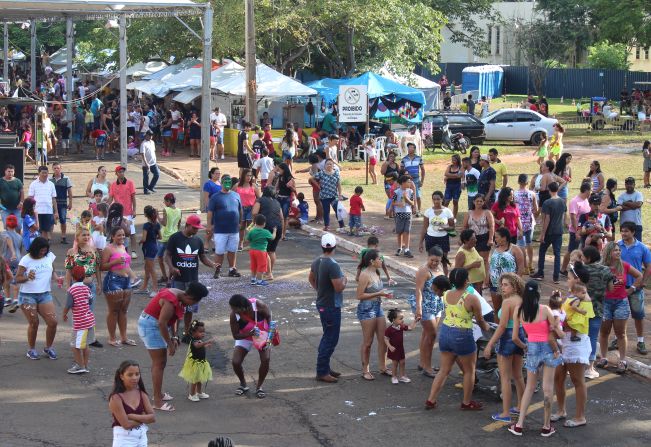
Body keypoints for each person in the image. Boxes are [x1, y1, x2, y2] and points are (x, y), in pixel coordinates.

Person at [137, 283, 208, 411]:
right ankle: (157, 401)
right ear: (191, 298)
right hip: (151, 327)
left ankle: (158, 395)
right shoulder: (171, 301)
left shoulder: (180, 295)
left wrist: (175, 336)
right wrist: (170, 344)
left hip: (155, 325)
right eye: (194, 303)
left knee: (160, 363)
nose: (190, 306)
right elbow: (162, 323)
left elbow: (174, 318)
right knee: (159, 363)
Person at [425, 268, 489, 410]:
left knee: (444, 370)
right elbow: (480, 320)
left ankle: (431, 399)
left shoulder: (446, 294)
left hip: (446, 331)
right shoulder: (471, 298)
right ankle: (466, 402)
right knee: (469, 371)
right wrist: (487, 329)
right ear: (466, 280)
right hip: (462, 334)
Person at [509, 281, 564, 437]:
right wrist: (557, 316)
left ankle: (519, 425)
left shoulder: (518, 311)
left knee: (529, 387)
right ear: (539, 295)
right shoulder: (545, 309)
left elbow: (515, 338)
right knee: (548, 388)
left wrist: (525, 347)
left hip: (532, 347)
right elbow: (557, 332)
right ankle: (546, 426)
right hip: (549, 348)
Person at [164, 215, 217, 344]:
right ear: (187, 225)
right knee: (176, 309)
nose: (196, 231)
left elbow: (202, 257)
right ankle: (174, 334)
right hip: (179, 280)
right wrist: (171, 268)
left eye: (197, 229)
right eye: (194, 228)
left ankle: (187, 333)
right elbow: (167, 255)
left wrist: (213, 264)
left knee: (190, 309)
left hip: (193, 281)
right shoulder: (175, 238)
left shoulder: (197, 241)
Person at [15, 237, 62, 360]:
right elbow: (17, 278)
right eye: (41, 250)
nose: (43, 252)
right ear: (35, 249)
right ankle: (31, 349)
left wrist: (57, 278)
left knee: (53, 322)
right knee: (34, 323)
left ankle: (48, 347)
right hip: (27, 296)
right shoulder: (26, 260)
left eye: (45, 250)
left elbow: (52, 270)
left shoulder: (49, 256)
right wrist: (27, 277)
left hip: (44, 294)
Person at [309, 233, 347, 383]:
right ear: (335, 247)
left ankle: (325, 367)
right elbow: (338, 288)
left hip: (323, 303)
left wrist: (320, 290)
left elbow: (311, 278)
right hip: (331, 305)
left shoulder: (317, 261)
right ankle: (322, 371)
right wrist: (345, 281)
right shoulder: (333, 264)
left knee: (328, 336)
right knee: (330, 338)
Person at [407, 248, 447, 377]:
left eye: (437, 261)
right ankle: (427, 367)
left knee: (427, 334)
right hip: (425, 305)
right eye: (432, 260)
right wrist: (419, 308)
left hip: (436, 304)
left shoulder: (440, 269)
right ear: (427, 257)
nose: (434, 263)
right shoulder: (423, 270)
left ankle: (423, 363)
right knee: (432, 335)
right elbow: (418, 290)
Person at [615, 221, 651, 355]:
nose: (623, 234)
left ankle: (641, 341)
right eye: (622, 231)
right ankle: (617, 339)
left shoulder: (642, 248)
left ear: (633, 232)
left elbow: (649, 266)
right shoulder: (617, 245)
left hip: (635, 287)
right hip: (619, 286)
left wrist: (643, 282)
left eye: (626, 231)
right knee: (618, 316)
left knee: (638, 315)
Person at [356, 249, 392, 381]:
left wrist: (384, 294)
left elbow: (377, 291)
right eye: (379, 259)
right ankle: (365, 370)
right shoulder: (365, 275)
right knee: (368, 342)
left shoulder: (377, 272)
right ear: (372, 261)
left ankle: (383, 366)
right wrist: (379, 294)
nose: (381, 261)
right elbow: (359, 295)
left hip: (377, 307)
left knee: (383, 338)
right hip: (366, 308)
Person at [64, 227, 103, 349]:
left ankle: (91, 338)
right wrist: (67, 285)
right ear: (77, 237)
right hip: (77, 287)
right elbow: (69, 270)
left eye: (88, 235)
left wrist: (99, 284)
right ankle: (78, 336)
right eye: (83, 235)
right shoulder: (72, 252)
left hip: (89, 286)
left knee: (89, 312)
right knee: (78, 313)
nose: (86, 237)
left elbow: (97, 268)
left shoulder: (93, 250)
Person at [228, 294, 273, 399]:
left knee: (266, 359)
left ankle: (259, 387)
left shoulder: (259, 305)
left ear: (244, 307)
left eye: (235, 308)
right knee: (236, 362)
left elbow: (269, 317)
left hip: (263, 335)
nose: (233, 311)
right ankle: (243, 384)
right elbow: (236, 336)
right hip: (245, 336)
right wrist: (250, 333)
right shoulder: (234, 315)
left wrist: (269, 339)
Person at [101, 227, 138, 347]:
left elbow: (126, 265)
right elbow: (102, 266)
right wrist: (114, 263)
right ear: (112, 236)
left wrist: (133, 276)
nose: (122, 237)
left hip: (126, 281)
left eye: (123, 235)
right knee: (114, 311)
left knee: (123, 310)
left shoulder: (123, 247)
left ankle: (124, 337)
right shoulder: (108, 249)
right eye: (119, 235)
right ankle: (112, 338)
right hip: (113, 281)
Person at [581, 245, 614, 379]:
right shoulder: (606, 271)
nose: (582, 259)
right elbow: (611, 289)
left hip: (581, 308)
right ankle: (590, 367)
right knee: (592, 338)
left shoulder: (581, 270)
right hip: (598, 308)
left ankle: (577, 364)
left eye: (583, 257)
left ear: (588, 258)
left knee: (580, 336)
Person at [109, 360, 156, 446]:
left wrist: (132, 416)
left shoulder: (142, 394)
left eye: (137, 374)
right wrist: (144, 418)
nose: (134, 378)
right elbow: (126, 424)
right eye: (130, 375)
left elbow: (152, 418)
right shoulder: (116, 398)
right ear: (122, 376)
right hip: (124, 439)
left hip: (141, 436)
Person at [207, 174, 242, 279]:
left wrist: (240, 222)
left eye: (229, 182)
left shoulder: (236, 195)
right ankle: (218, 269)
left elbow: (240, 210)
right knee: (219, 251)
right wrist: (209, 225)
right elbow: (210, 212)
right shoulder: (215, 197)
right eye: (225, 182)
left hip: (234, 229)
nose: (227, 184)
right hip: (220, 230)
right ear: (221, 183)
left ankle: (232, 269)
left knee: (232, 250)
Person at [531, 182, 566, 284]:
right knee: (557, 254)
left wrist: (542, 234)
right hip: (559, 231)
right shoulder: (562, 201)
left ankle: (541, 273)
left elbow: (547, 219)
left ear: (549, 190)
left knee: (542, 251)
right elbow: (564, 216)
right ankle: (556, 277)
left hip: (549, 232)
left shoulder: (547, 203)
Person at [62, 265, 95, 374]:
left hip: (80, 322)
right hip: (89, 319)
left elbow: (68, 304)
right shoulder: (87, 288)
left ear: (72, 276)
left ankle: (80, 366)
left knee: (75, 345)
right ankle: (85, 365)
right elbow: (90, 301)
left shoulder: (72, 290)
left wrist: (64, 314)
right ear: (84, 276)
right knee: (85, 345)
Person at [489, 227, 524, 315]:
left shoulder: (515, 249)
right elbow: (491, 264)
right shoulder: (494, 249)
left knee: (509, 310)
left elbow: (520, 267)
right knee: (497, 310)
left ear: (504, 238)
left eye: (497, 237)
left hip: (510, 285)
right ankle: (498, 327)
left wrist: (516, 282)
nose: (495, 239)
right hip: (495, 284)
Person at [251, 187, 284, 280]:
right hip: (277, 227)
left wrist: (255, 223)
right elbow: (281, 217)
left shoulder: (260, 200)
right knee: (272, 251)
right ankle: (269, 272)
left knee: (264, 250)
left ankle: (267, 272)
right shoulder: (277, 202)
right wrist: (282, 232)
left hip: (266, 227)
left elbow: (254, 212)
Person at [560, 182, 592, 275]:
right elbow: (573, 217)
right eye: (590, 190)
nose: (591, 192)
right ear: (586, 190)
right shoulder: (575, 201)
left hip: (584, 231)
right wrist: (577, 231)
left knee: (581, 251)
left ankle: (578, 269)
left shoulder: (586, 200)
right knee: (571, 251)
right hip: (576, 231)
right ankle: (563, 269)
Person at [419, 191, 454, 274]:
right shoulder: (428, 211)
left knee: (444, 261)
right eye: (434, 199)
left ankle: (445, 280)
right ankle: (431, 278)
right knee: (431, 261)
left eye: (438, 199)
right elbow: (424, 228)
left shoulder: (447, 211)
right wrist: (421, 242)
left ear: (442, 199)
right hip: (430, 238)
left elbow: (452, 227)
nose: (436, 201)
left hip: (443, 238)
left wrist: (445, 228)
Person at [178, 320, 214, 402]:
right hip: (195, 364)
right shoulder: (194, 341)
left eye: (203, 332)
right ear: (193, 333)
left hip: (201, 363)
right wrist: (205, 343)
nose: (203, 333)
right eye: (200, 332)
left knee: (199, 379)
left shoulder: (199, 340)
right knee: (194, 380)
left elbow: (200, 347)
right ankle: (192, 394)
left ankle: (199, 392)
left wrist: (206, 345)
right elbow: (197, 346)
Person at [108, 166, 138, 258]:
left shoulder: (130, 183)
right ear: (116, 173)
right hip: (117, 214)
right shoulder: (113, 185)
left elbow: (133, 198)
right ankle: (121, 251)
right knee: (119, 233)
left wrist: (134, 210)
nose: (121, 173)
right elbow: (110, 199)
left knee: (131, 232)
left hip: (128, 213)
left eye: (122, 172)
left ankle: (133, 251)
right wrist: (107, 209)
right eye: (119, 172)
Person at [384, 308, 418, 384]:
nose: (402, 320)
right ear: (393, 320)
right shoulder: (389, 330)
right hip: (394, 349)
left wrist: (415, 321)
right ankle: (394, 376)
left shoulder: (401, 326)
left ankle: (402, 376)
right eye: (400, 319)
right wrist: (389, 346)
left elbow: (410, 328)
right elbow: (385, 339)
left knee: (402, 362)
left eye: (402, 318)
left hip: (400, 349)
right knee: (395, 364)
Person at [514, 174, 538, 274]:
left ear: (518, 182)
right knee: (529, 243)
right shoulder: (532, 194)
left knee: (521, 245)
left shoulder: (514, 194)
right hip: (530, 221)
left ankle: (524, 266)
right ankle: (530, 264)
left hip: (519, 222)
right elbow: (536, 209)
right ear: (527, 182)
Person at [28, 165, 58, 242]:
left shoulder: (51, 184)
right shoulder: (33, 184)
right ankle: (37, 246)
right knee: (37, 230)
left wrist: (56, 212)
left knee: (45, 230)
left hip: (48, 211)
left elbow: (53, 199)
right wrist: (30, 210)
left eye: (46, 173)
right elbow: (30, 198)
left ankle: (44, 246)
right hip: (37, 211)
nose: (45, 174)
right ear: (39, 173)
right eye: (43, 173)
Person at [157, 193, 181, 285]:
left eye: (165, 201)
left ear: (168, 201)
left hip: (164, 237)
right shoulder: (179, 211)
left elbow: (164, 223)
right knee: (171, 258)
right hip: (174, 236)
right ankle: (170, 279)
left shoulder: (166, 210)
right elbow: (178, 225)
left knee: (160, 257)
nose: (164, 203)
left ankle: (164, 276)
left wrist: (158, 216)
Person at [314, 159, 344, 232]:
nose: (329, 165)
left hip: (334, 196)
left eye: (331, 164)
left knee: (337, 210)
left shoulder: (336, 173)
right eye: (328, 164)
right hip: (324, 197)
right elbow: (311, 179)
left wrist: (340, 194)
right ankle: (326, 226)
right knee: (326, 211)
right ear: (325, 165)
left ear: (333, 165)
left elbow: (339, 185)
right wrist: (318, 186)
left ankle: (342, 225)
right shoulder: (321, 173)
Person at [234, 170, 261, 250]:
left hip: (251, 209)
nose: (249, 177)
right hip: (240, 209)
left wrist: (256, 208)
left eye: (250, 176)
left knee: (250, 227)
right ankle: (241, 242)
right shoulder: (237, 185)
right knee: (241, 227)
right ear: (243, 176)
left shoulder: (253, 186)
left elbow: (259, 198)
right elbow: (231, 195)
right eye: (247, 175)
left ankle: (251, 243)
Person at [246, 214, 276, 286]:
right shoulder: (265, 232)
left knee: (254, 265)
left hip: (252, 251)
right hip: (261, 251)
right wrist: (274, 231)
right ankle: (259, 281)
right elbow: (272, 238)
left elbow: (247, 240)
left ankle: (253, 279)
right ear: (264, 223)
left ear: (255, 222)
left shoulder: (252, 231)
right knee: (261, 266)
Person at [137, 206, 161, 297]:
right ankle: (144, 287)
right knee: (147, 268)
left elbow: (144, 238)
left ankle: (155, 289)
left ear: (145, 214)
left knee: (151, 269)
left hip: (148, 248)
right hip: (154, 246)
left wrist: (140, 241)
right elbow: (160, 237)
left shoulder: (146, 225)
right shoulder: (157, 224)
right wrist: (153, 237)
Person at [2, 214, 23, 312]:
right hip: (17, 260)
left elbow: (7, 239)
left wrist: (12, 252)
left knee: (5, 278)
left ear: (6, 224)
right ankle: (15, 299)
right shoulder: (19, 236)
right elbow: (20, 248)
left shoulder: (4, 233)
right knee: (14, 279)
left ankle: (7, 298)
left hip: (7, 260)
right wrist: (16, 253)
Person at [50, 162, 73, 244]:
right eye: (55, 168)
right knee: (51, 220)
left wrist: (70, 203)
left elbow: (70, 192)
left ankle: (63, 236)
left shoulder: (66, 179)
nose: (56, 169)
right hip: (51, 203)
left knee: (63, 220)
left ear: (61, 168)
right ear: (52, 169)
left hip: (62, 203)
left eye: (58, 168)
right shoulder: (49, 179)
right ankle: (49, 237)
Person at [392, 175, 415, 258]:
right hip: (399, 213)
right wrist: (399, 204)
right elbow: (393, 202)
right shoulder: (397, 192)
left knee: (407, 231)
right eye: (408, 182)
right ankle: (399, 248)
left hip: (408, 213)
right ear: (402, 183)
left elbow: (412, 203)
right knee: (399, 232)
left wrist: (406, 198)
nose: (410, 183)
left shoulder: (410, 191)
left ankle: (407, 249)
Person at [400, 143, 425, 214]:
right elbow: (401, 170)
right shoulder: (404, 159)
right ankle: (410, 210)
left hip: (416, 179)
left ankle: (419, 210)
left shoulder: (419, 158)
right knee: (408, 195)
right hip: (407, 180)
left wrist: (422, 181)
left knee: (418, 196)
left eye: (411, 147)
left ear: (414, 149)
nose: (409, 149)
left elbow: (423, 170)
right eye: (408, 148)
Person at [617, 176, 644, 242]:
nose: (629, 186)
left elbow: (638, 204)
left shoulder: (638, 194)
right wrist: (633, 205)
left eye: (631, 184)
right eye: (627, 184)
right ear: (625, 185)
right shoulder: (621, 196)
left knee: (638, 244)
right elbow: (620, 207)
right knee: (626, 244)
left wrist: (625, 203)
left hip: (636, 224)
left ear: (634, 185)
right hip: (624, 224)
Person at [0, 164, 24, 230]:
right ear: (5, 171)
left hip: (17, 208)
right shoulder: (0, 181)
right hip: (5, 208)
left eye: (12, 171)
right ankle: (9, 239)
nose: (10, 173)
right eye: (9, 171)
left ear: (14, 172)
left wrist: (21, 202)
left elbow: (22, 192)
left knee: (18, 226)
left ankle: (18, 239)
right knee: (6, 226)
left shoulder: (18, 181)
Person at [443, 154, 463, 219]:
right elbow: (445, 174)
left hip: (457, 186)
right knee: (446, 201)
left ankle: (454, 217)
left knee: (455, 201)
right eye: (452, 159)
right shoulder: (450, 166)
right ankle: (445, 216)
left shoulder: (461, 167)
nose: (453, 161)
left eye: (454, 159)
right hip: (449, 186)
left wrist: (449, 176)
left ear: (458, 160)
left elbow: (460, 175)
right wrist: (455, 175)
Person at [140, 131, 159, 195]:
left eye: (151, 135)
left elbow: (153, 152)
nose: (151, 137)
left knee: (157, 174)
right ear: (146, 135)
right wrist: (146, 163)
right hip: (146, 164)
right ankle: (145, 191)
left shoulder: (152, 142)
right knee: (146, 177)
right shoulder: (143, 144)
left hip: (153, 163)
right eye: (149, 135)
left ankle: (151, 187)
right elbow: (143, 154)